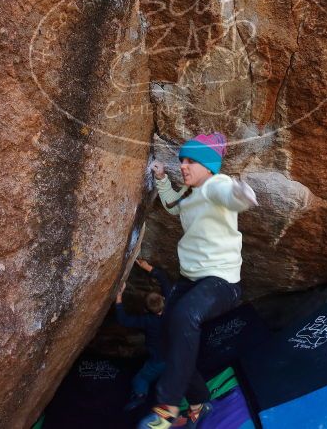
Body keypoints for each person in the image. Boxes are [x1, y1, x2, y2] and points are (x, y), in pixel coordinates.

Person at [137, 132, 258, 429]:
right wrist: (163, 177)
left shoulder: (216, 184)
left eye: (191, 161)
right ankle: (198, 403)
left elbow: (229, 194)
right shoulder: (190, 194)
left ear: (209, 166)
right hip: (190, 279)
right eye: (182, 161)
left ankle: (167, 406)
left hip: (221, 281)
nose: (184, 166)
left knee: (185, 316)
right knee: (166, 338)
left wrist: (241, 195)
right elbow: (172, 205)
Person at [115, 258, 173, 411]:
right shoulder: (171, 307)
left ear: (146, 310)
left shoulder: (147, 321)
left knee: (141, 378)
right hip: (177, 354)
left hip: (159, 359)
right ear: (163, 300)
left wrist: (119, 297)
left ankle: (140, 395)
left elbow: (124, 320)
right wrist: (149, 267)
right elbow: (165, 281)